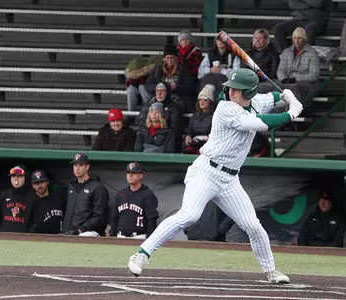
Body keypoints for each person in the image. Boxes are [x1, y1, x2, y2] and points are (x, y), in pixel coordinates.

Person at [127, 68, 303, 284]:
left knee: (253, 225)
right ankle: (142, 254)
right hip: (206, 172)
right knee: (189, 215)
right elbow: (262, 123)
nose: (231, 92)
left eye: (236, 90)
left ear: (248, 93)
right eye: (230, 88)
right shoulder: (226, 109)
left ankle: (271, 271)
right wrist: (292, 112)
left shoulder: (255, 100)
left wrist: (285, 94)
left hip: (230, 180)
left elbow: (270, 98)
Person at [62, 153, 109, 237]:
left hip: (89, 232)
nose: (77, 168)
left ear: (87, 167)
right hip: (70, 232)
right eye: (75, 165)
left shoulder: (98, 188)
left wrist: (81, 229)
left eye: (80, 165)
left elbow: (99, 216)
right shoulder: (71, 187)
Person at [110, 162, 159, 239]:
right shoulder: (120, 194)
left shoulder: (148, 195)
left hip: (139, 237)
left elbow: (151, 221)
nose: (130, 175)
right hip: (120, 236)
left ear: (140, 175)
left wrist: (149, 240)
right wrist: (112, 238)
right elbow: (114, 219)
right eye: (128, 172)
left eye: (134, 172)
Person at [0, 165, 35, 233]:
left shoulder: (33, 197)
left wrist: (29, 234)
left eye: (19, 176)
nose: (16, 179)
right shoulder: (4, 195)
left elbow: (37, 220)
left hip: (24, 239)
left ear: (25, 178)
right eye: (13, 176)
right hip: (4, 237)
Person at [28, 170, 66, 234]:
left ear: (47, 182)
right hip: (39, 239)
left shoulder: (59, 198)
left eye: (42, 182)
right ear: (33, 186)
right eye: (36, 183)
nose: (39, 185)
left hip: (59, 238)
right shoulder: (30, 202)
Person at [183, 85, 215, 155]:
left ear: (210, 101)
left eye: (205, 100)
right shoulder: (194, 117)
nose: (202, 102)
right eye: (200, 99)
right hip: (194, 144)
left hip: (209, 146)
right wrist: (187, 136)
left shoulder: (215, 116)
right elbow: (189, 131)